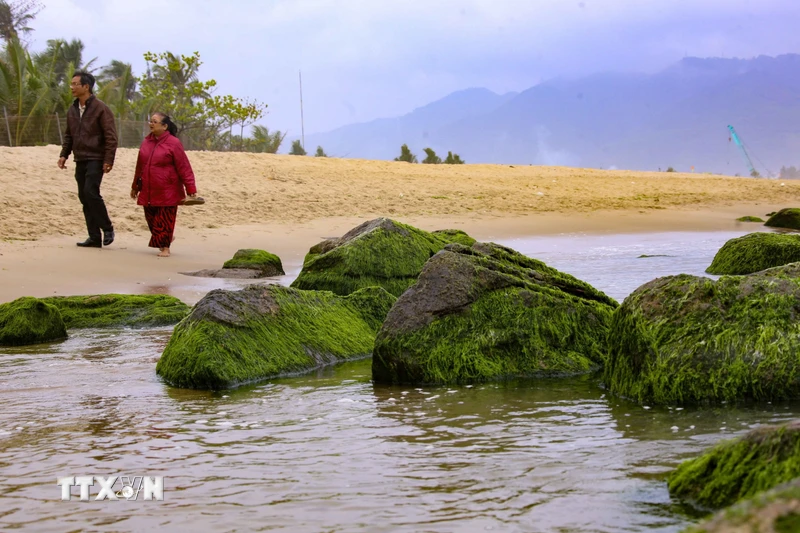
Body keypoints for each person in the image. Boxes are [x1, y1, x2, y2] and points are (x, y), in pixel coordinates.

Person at [58, 71, 118, 248]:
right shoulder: (73, 109)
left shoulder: (101, 108)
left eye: (76, 84)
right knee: (84, 196)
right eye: (71, 84)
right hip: (80, 158)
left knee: (91, 192)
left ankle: (107, 228)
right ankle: (94, 237)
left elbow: (111, 137)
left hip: (96, 157)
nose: (72, 87)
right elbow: (69, 135)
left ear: (86, 86)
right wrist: (64, 154)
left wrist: (108, 160)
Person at [130, 113, 198, 258]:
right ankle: (166, 238)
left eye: (155, 121)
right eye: (150, 121)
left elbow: (184, 167)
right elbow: (139, 166)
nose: (151, 124)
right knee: (152, 221)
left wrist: (191, 189)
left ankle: (165, 247)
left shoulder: (174, 143)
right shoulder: (146, 142)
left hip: (168, 189)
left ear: (164, 126)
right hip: (148, 189)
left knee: (165, 219)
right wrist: (135, 186)